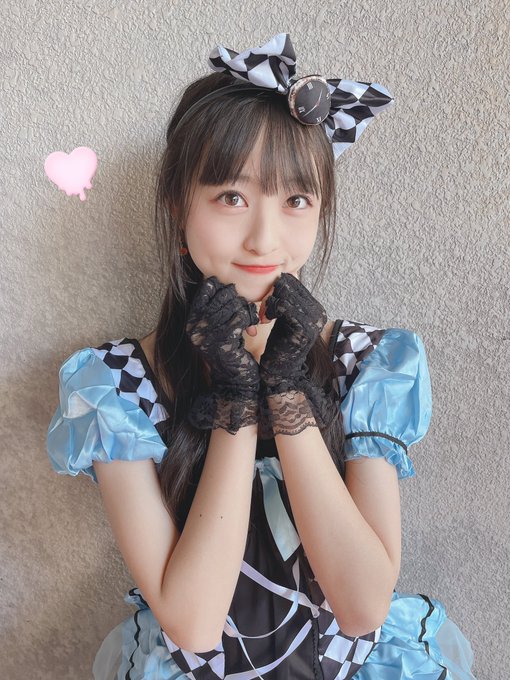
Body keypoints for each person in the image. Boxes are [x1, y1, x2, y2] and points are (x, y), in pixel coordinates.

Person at [46, 33, 477, 680]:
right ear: (177, 204)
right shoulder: (114, 386)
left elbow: (362, 606)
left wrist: (286, 388)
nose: (265, 239)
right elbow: (192, 624)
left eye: (296, 200)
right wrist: (236, 399)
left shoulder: (368, 363)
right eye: (232, 197)